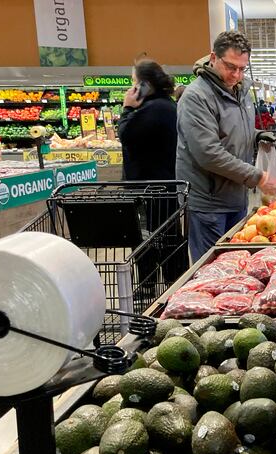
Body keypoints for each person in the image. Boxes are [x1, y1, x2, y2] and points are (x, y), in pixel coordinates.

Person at [176, 30, 276, 261]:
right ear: (213, 58)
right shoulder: (197, 97)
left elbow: (233, 132)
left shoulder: (240, 92)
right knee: (212, 270)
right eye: (230, 66)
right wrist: (258, 177)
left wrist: (257, 135)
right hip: (208, 203)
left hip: (235, 196)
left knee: (235, 265)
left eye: (242, 68)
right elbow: (208, 153)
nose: (236, 74)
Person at [117, 59, 185, 301]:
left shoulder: (154, 110)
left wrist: (127, 108)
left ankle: (158, 290)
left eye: (134, 82)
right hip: (162, 185)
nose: (131, 88)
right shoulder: (165, 107)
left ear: (144, 85)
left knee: (151, 239)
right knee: (165, 238)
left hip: (150, 188)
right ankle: (172, 286)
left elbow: (125, 135)